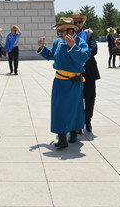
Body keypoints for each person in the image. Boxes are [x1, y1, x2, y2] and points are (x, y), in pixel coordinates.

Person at [38, 18, 90, 149]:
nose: (59, 33)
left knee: (75, 108)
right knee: (59, 109)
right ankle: (62, 138)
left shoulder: (80, 42)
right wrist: (42, 48)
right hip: (60, 81)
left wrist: (73, 47)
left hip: (74, 82)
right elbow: (51, 55)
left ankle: (74, 132)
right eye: (59, 30)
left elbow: (84, 57)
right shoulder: (58, 42)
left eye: (62, 30)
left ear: (71, 31)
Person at [71, 12, 100, 133]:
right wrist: (82, 52)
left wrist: (79, 53)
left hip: (89, 71)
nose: (78, 24)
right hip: (74, 71)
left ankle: (88, 120)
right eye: (75, 22)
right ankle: (77, 122)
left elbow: (94, 49)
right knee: (76, 98)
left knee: (90, 97)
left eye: (79, 22)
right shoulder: (69, 36)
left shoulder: (89, 35)